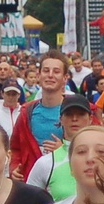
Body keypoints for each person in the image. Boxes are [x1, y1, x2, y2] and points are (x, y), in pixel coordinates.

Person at [9, 53, 74, 181]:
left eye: (56, 71)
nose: (50, 75)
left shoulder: (78, 111)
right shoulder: (26, 112)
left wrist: (64, 151)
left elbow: (93, 148)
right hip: (34, 184)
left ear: (65, 78)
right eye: (46, 71)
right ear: (39, 76)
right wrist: (14, 167)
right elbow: (15, 148)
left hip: (66, 181)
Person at [25, 96, 100, 199]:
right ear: (61, 119)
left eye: (81, 114)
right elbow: (29, 202)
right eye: (69, 114)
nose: (74, 119)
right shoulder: (46, 163)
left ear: (90, 119)